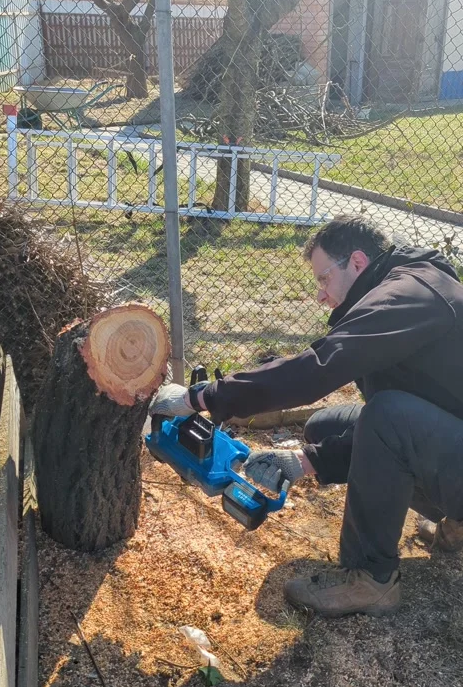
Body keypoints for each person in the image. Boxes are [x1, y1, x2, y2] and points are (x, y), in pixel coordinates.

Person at [150, 215, 463, 618]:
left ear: (357, 262)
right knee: (324, 426)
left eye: (323, 279)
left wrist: (201, 398)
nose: (321, 295)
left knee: (388, 416)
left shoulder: (406, 296)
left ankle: (372, 580)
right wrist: (303, 461)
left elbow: (318, 368)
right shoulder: (402, 284)